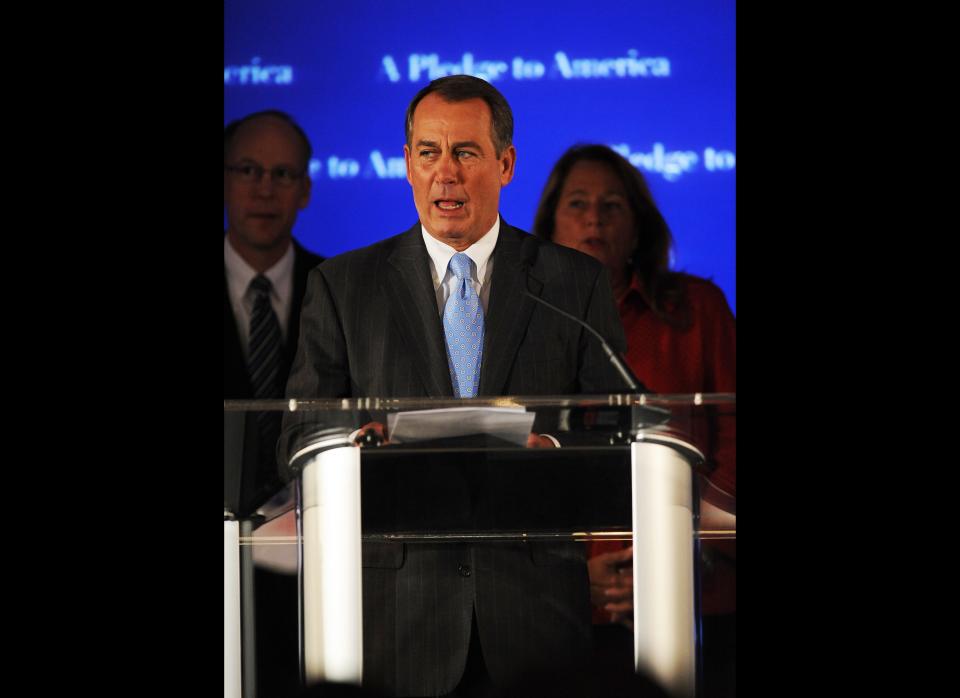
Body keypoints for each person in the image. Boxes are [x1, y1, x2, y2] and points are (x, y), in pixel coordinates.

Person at [285, 76, 631, 697]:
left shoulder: (571, 283)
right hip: (399, 614)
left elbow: (614, 429)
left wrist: (548, 456)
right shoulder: (344, 286)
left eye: (466, 153)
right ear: (407, 165)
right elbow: (301, 432)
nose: (445, 173)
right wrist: (363, 448)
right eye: (428, 152)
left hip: (536, 614)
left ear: (505, 164)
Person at [533, 143, 736, 697]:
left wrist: (684, 551)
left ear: (638, 227)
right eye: (577, 204)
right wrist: (575, 576)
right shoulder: (518, 326)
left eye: (611, 205)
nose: (594, 218)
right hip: (557, 614)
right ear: (549, 227)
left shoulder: (697, 311)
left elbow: (734, 443)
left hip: (701, 594)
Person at [224, 109, 325, 698]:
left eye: (283, 174)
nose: (265, 189)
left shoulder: (339, 288)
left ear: (306, 190)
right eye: (249, 170)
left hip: (315, 569)